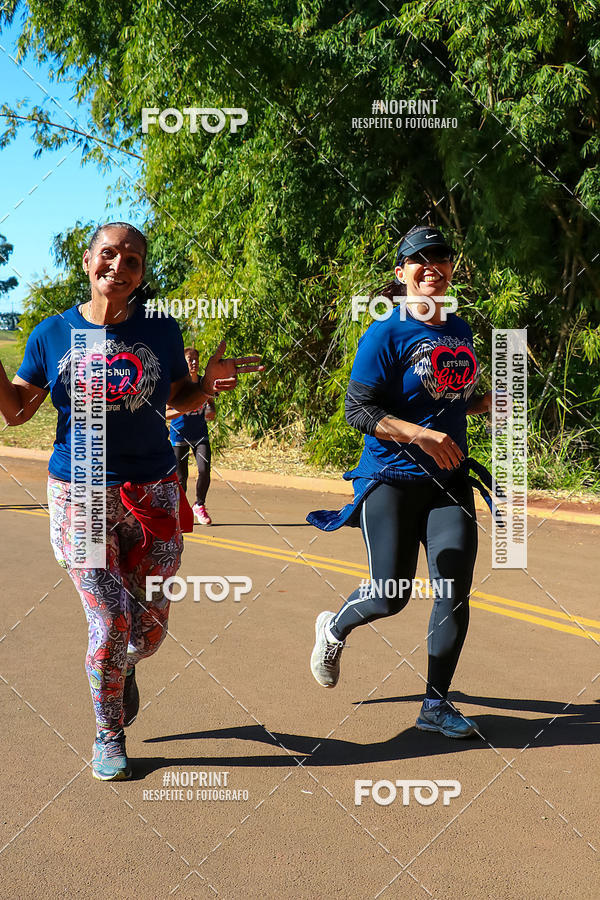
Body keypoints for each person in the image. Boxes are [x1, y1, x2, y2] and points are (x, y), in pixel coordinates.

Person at [0, 222, 262, 780]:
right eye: (109, 254)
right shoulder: (52, 333)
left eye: (133, 260)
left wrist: (208, 385)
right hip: (82, 490)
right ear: (88, 259)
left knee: (149, 632)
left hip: (155, 492)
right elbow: (17, 410)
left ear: (142, 275)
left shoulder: (162, 331)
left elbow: (176, 398)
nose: (119, 266)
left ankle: (123, 670)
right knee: (111, 620)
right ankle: (108, 734)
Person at [308, 225, 494, 739]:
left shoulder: (460, 330)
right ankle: (335, 626)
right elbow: (358, 410)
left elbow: (449, 395)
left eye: (441, 256)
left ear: (453, 268)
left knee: (454, 588)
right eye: (420, 259)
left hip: (448, 481)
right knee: (391, 595)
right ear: (402, 273)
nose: (431, 265)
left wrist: (483, 405)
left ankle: (435, 706)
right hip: (390, 476)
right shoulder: (385, 331)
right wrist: (421, 437)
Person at [166, 346, 215, 525]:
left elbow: (210, 403)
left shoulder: (204, 383)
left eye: (196, 359)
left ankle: (199, 505)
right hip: (179, 437)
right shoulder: (177, 385)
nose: (194, 362)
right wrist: (183, 408)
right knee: (181, 478)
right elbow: (165, 412)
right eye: (190, 359)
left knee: (204, 470)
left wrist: (211, 410)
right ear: (183, 362)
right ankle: (180, 510)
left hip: (200, 434)